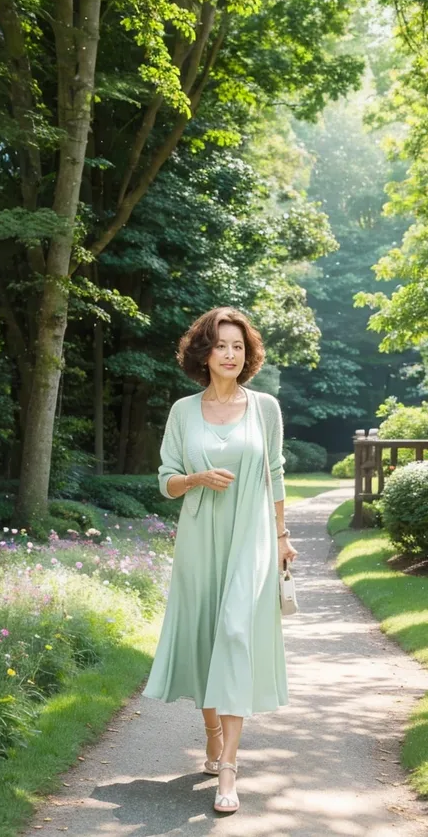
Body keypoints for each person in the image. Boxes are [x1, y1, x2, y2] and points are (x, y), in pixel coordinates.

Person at [142, 306, 298, 813]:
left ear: (247, 353)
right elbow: (165, 479)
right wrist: (195, 479)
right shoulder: (183, 412)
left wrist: (282, 535)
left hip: (250, 537)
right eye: (221, 346)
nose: (231, 354)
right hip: (199, 537)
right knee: (208, 638)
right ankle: (211, 733)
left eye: (238, 346)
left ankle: (229, 767)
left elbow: (274, 473)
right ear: (203, 354)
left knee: (234, 634)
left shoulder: (266, 408)